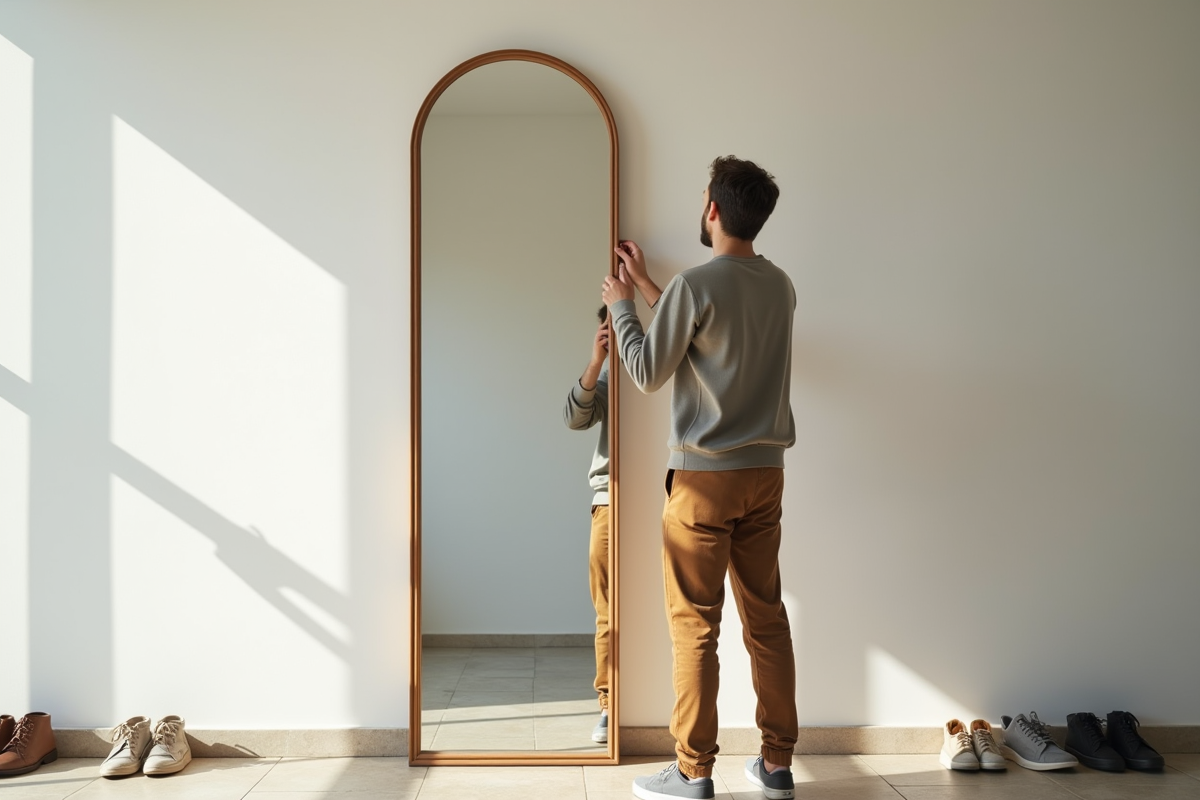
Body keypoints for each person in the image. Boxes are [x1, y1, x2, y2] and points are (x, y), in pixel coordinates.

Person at [602, 156, 798, 800]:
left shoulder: (696, 286)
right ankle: (776, 765)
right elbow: (713, 339)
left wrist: (625, 304)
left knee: (696, 627)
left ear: (712, 208)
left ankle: (692, 770)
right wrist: (657, 289)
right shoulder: (780, 286)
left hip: (702, 483)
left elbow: (648, 370)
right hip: (764, 476)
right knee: (765, 619)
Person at [562, 306, 613, 744]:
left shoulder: (663, 368)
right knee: (608, 611)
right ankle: (609, 705)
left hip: (670, 495)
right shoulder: (610, 380)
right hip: (610, 503)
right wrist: (596, 362)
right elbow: (575, 418)